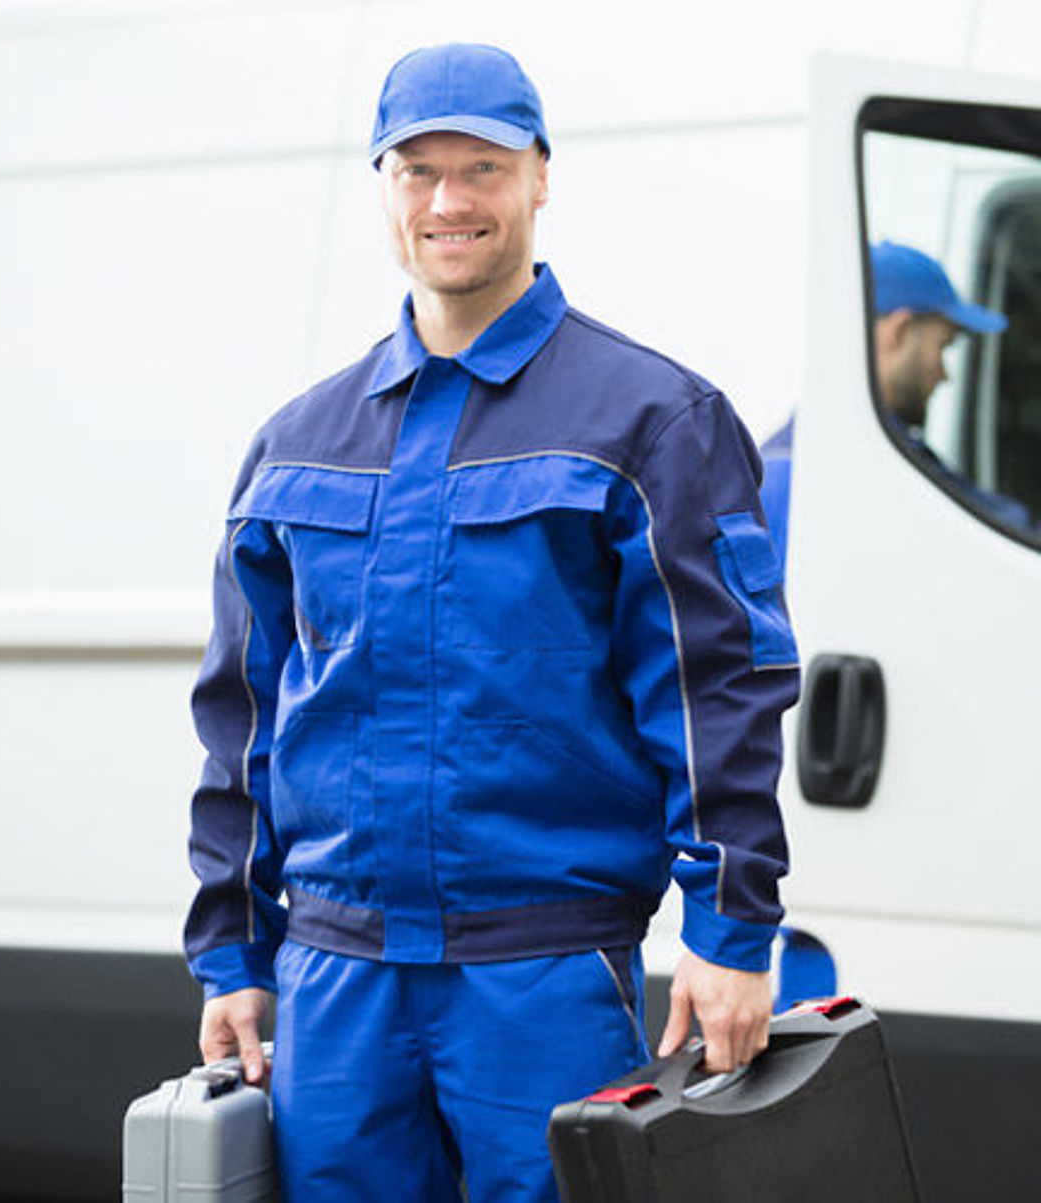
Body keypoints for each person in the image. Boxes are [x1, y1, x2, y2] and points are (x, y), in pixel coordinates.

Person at [184, 43, 799, 1203]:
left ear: (540, 177)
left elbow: (718, 689)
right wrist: (232, 948)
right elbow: (242, 721)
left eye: (482, 168)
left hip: (545, 971)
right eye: (418, 171)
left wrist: (730, 929)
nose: (448, 202)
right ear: (383, 187)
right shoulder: (297, 445)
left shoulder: (651, 421)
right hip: (336, 979)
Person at [761, 240, 1015, 567]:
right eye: (942, 346)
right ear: (899, 331)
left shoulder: (874, 451)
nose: (944, 374)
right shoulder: (795, 479)